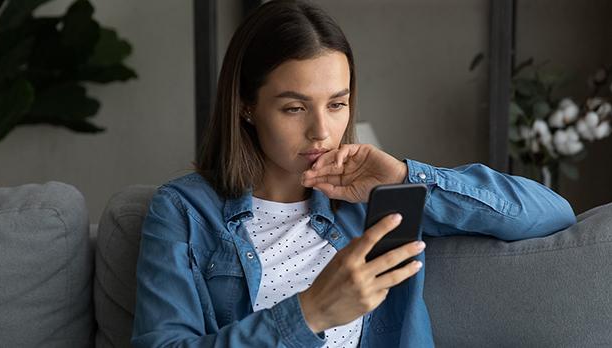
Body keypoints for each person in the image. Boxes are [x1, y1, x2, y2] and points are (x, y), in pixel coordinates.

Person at [131, 1, 576, 347]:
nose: (321, 131)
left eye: (337, 104)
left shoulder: (373, 203)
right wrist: (310, 314)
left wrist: (404, 176)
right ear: (246, 106)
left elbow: (550, 213)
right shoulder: (185, 211)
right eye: (294, 107)